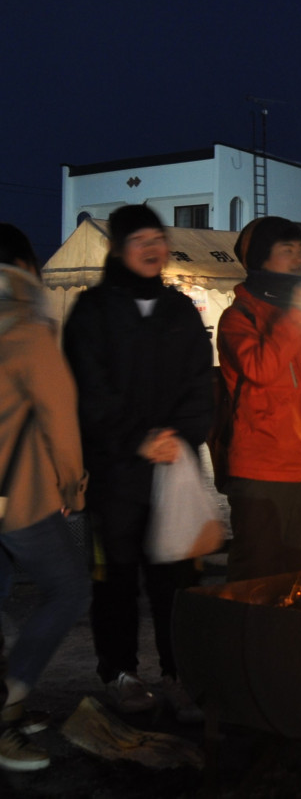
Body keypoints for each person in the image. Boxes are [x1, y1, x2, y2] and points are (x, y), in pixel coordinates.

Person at [62, 205, 214, 722]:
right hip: (115, 473)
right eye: (139, 239)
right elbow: (86, 389)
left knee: (177, 579)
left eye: (158, 238)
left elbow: (202, 383)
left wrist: (180, 436)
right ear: (120, 249)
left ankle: (180, 673)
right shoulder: (94, 309)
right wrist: (136, 440)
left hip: (174, 469)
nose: (152, 248)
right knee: (117, 578)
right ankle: (121, 672)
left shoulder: (180, 310)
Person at [0, 224, 88, 771]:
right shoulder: (28, 329)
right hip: (19, 496)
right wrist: (72, 487)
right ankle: (10, 713)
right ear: (28, 268)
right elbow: (60, 419)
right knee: (68, 588)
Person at [217, 216, 301, 583]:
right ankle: (247, 641)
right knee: (257, 576)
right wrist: (295, 313)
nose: (299, 259)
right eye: (287, 250)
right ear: (260, 259)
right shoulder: (238, 317)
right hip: (261, 472)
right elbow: (261, 368)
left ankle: (300, 642)